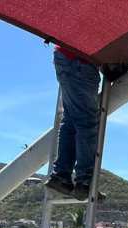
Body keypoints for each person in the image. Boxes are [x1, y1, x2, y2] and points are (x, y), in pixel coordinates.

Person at [44, 45, 106, 202]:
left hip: (63, 57)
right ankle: (84, 181)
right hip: (82, 61)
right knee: (87, 122)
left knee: (71, 119)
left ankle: (62, 176)